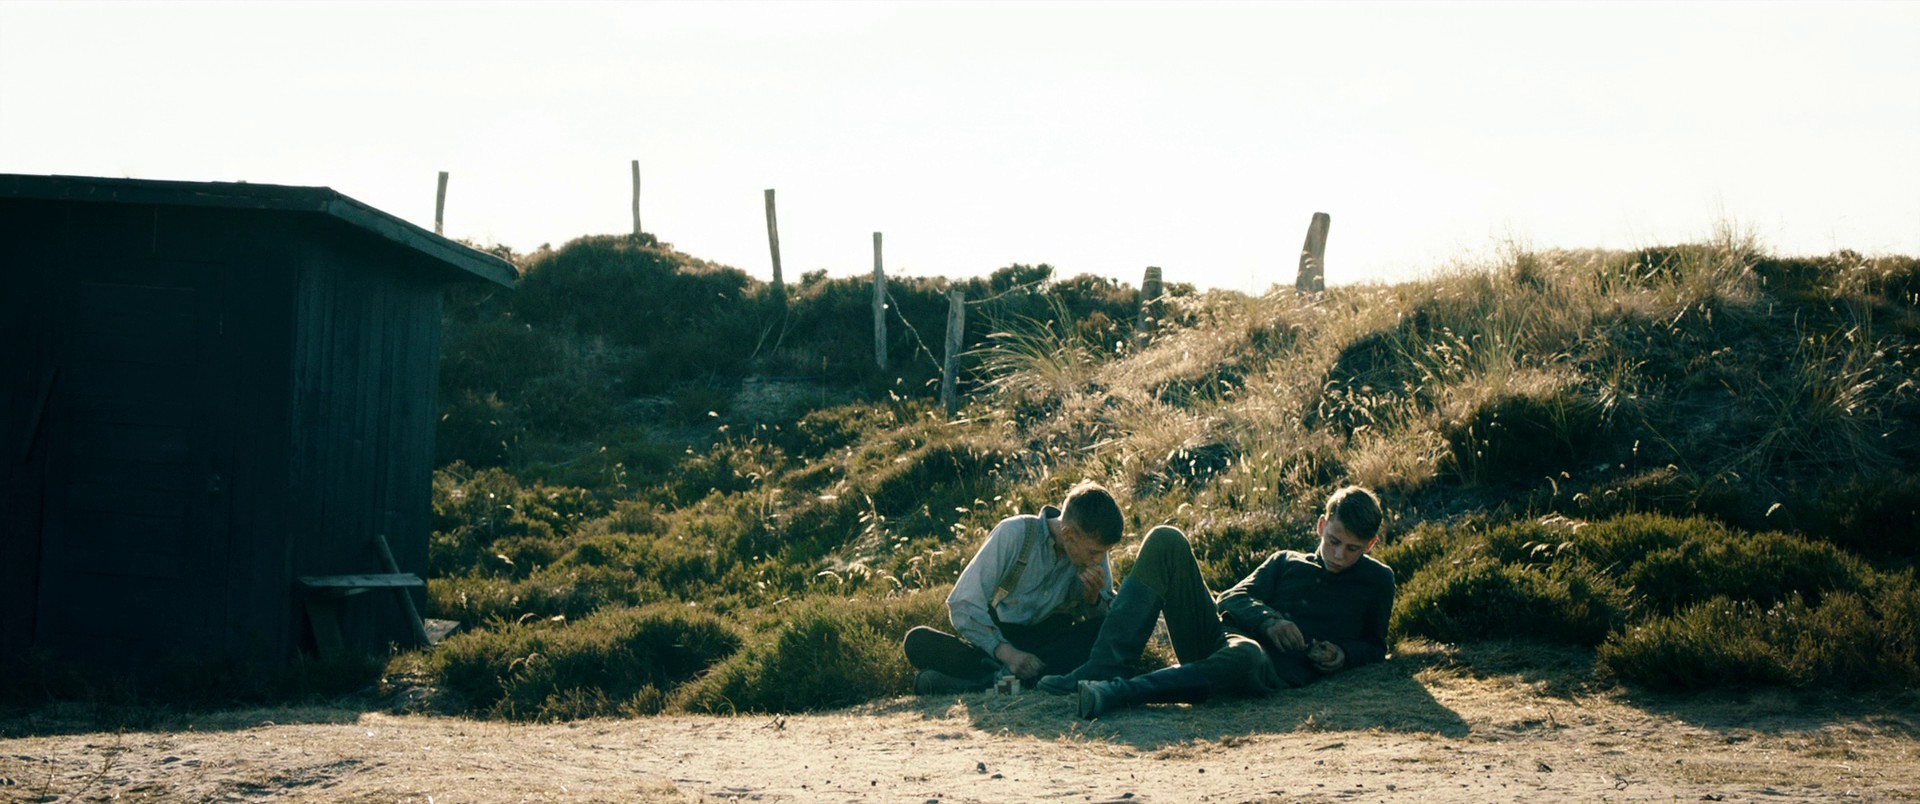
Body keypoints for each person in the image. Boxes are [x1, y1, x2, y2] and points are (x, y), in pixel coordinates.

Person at [1036, 485, 1394, 719]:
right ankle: (1103, 669)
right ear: (1321, 526)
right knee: (1166, 539)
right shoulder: (1286, 560)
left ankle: (1116, 694)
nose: (1338, 554)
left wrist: (1342, 654)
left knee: (1248, 654)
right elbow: (1232, 597)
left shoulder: (1378, 581)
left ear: (1371, 545)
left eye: (1352, 549)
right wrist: (1269, 620)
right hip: (1216, 639)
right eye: (1333, 540)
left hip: (1266, 668)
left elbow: (1375, 646)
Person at [902, 481, 1126, 694]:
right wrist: (1007, 653)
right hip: (1002, 641)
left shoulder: (1093, 552)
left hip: (1051, 645)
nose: (1099, 560)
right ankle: (1009, 679)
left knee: (1107, 631)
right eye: (1094, 553)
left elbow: (1101, 621)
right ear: (1068, 534)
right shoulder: (1014, 533)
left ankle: (981, 685)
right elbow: (963, 602)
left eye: (1103, 553)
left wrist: (1093, 600)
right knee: (918, 641)